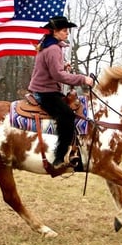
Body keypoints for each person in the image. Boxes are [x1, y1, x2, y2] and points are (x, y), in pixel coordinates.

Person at [28, 16, 95, 168]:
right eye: (64, 30)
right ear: (55, 32)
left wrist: (63, 66)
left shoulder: (48, 46)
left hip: (45, 89)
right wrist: (82, 79)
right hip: (45, 92)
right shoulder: (53, 49)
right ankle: (59, 157)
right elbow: (57, 75)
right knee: (67, 115)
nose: (67, 33)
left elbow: (51, 69)